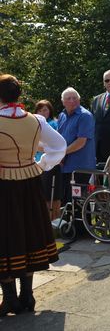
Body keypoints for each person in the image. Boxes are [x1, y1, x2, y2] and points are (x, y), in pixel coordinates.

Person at [0, 74, 66, 317]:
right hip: (30, 183)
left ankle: (9, 300)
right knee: (29, 233)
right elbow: (59, 146)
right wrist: (40, 165)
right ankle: (27, 296)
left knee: (6, 237)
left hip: (4, 186)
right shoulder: (36, 120)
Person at [58, 88, 97, 205]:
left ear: (79, 100)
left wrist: (61, 153)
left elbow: (81, 142)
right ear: (63, 102)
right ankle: (69, 223)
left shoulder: (85, 116)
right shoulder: (62, 116)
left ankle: (83, 224)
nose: (72, 101)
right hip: (65, 167)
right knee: (67, 202)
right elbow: (59, 139)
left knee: (79, 203)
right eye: (68, 98)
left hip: (81, 167)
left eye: (75, 98)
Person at [34, 100, 60, 219]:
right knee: (41, 193)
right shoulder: (34, 124)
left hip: (50, 162)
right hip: (37, 162)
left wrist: (38, 147)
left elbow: (52, 146)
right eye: (40, 110)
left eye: (45, 109)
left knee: (50, 194)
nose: (42, 112)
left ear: (50, 110)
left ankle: (52, 219)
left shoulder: (53, 124)